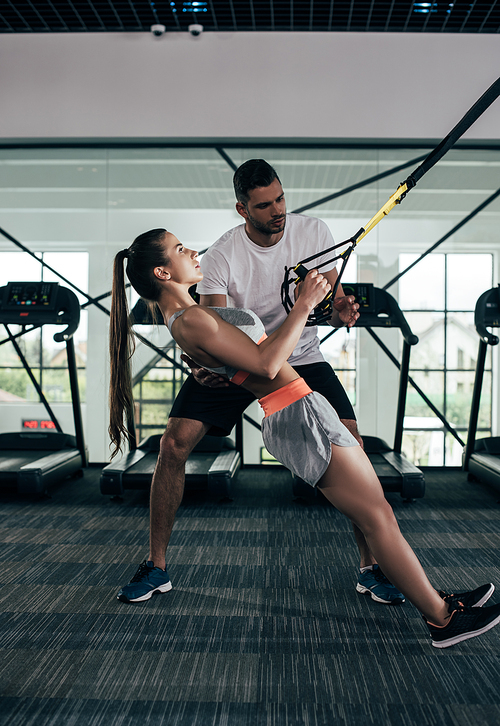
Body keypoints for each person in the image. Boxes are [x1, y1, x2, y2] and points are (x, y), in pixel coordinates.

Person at [109, 227, 500, 649]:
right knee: (377, 517)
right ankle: (441, 619)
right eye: (180, 249)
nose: (193, 251)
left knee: (378, 513)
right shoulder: (193, 320)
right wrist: (305, 304)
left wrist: (308, 312)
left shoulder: (189, 319)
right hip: (299, 413)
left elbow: (239, 354)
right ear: (163, 272)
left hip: (298, 409)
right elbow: (267, 361)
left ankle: (439, 602)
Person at [118, 158, 406, 607]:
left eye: (280, 199)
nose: (278, 210)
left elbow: (330, 300)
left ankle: (371, 569)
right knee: (173, 444)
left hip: (301, 354)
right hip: (246, 357)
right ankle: (155, 566)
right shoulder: (220, 256)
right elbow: (213, 324)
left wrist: (342, 308)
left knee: (351, 439)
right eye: (265, 204)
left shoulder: (315, 233)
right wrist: (202, 362)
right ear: (242, 208)